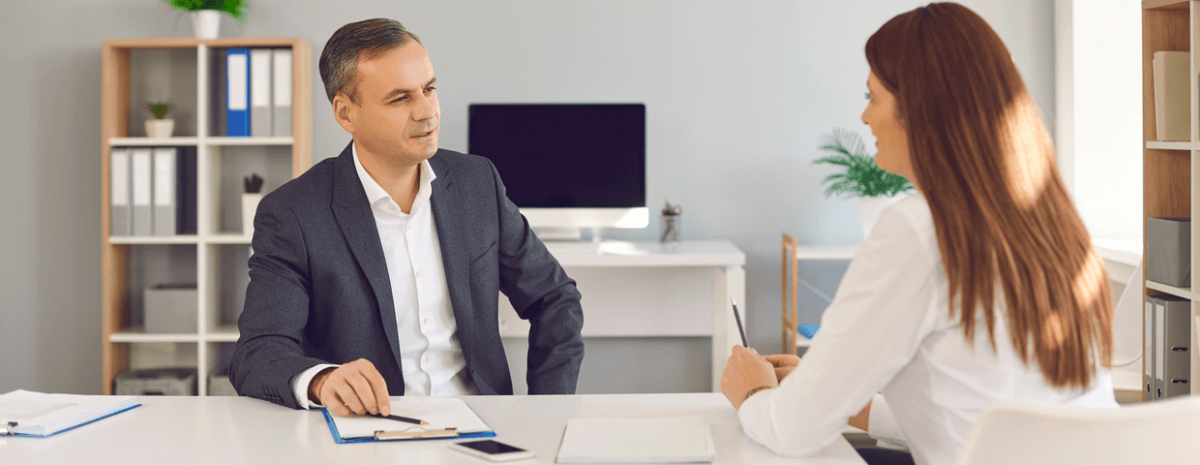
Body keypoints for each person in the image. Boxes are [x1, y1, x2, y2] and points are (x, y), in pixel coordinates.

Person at [719, 4, 1118, 465]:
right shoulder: (1053, 223)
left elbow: (792, 432)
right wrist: (845, 402)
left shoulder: (919, 227)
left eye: (873, 98)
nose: (865, 118)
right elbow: (984, 412)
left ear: (918, 111)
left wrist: (751, 393)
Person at [229, 18, 585, 417]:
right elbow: (258, 352)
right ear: (346, 113)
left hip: (483, 427)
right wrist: (322, 380)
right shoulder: (293, 213)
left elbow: (555, 298)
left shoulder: (476, 183)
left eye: (429, 89)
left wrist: (547, 409)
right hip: (371, 431)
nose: (427, 112)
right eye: (400, 99)